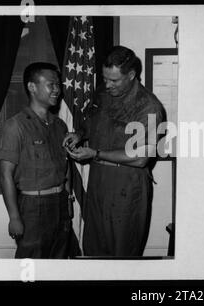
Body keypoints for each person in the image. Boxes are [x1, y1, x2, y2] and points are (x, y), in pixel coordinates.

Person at [63, 46, 166, 256]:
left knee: (122, 253)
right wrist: (80, 134)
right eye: (105, 78)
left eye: (114, 80)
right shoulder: (104, 92)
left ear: (131, 75)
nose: (107, 85)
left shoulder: (149, 107)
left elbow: (140, 158)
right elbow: (94, 122)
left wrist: (96, 154)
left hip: (127, 188)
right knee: (94, 249)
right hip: (98, 183)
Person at [0, 62, 76, 259]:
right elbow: (5, 175)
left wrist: (67, 199)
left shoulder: (59, 125)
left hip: (59, 204)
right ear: (32, 87)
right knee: (31, 264)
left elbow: (66, 167)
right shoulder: (15, 126)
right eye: (51, 84)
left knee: (58, 262)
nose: (57, 90)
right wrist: (14, 217)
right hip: (32, 207)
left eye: (58, 85)